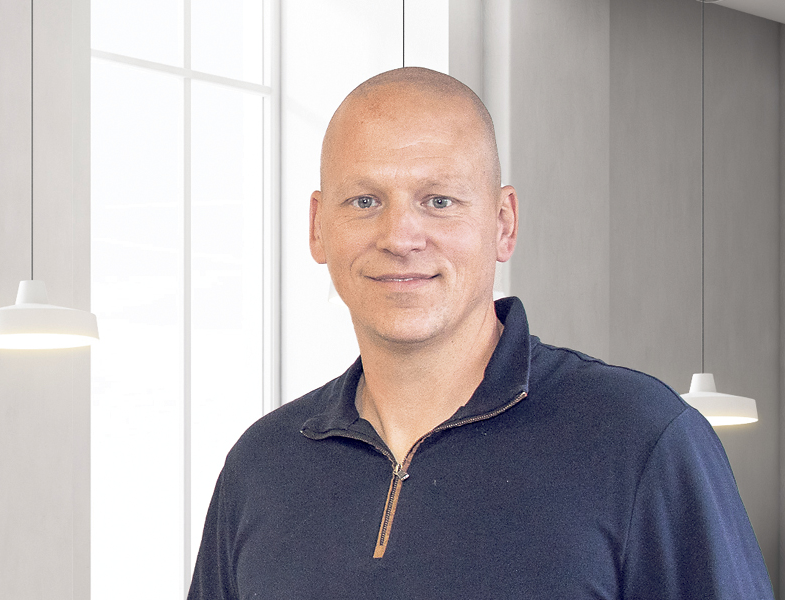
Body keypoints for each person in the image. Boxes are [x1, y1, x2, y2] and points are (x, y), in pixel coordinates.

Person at [188, 67, 773, 599]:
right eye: (365, 201)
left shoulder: (642, 438)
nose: (400, 236)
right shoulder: (261, 466)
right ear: (319, 227)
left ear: (503, 223)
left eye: (439, 201)